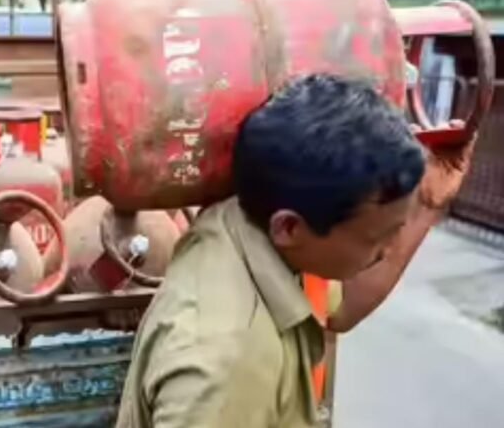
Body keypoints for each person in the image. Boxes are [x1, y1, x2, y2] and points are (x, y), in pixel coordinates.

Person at [115, 74, 476, 428]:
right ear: (289, 227)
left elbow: (341, 308)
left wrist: (427, 204)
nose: (387, 250)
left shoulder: (252, 223)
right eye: (375, 239)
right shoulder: (228, 366)